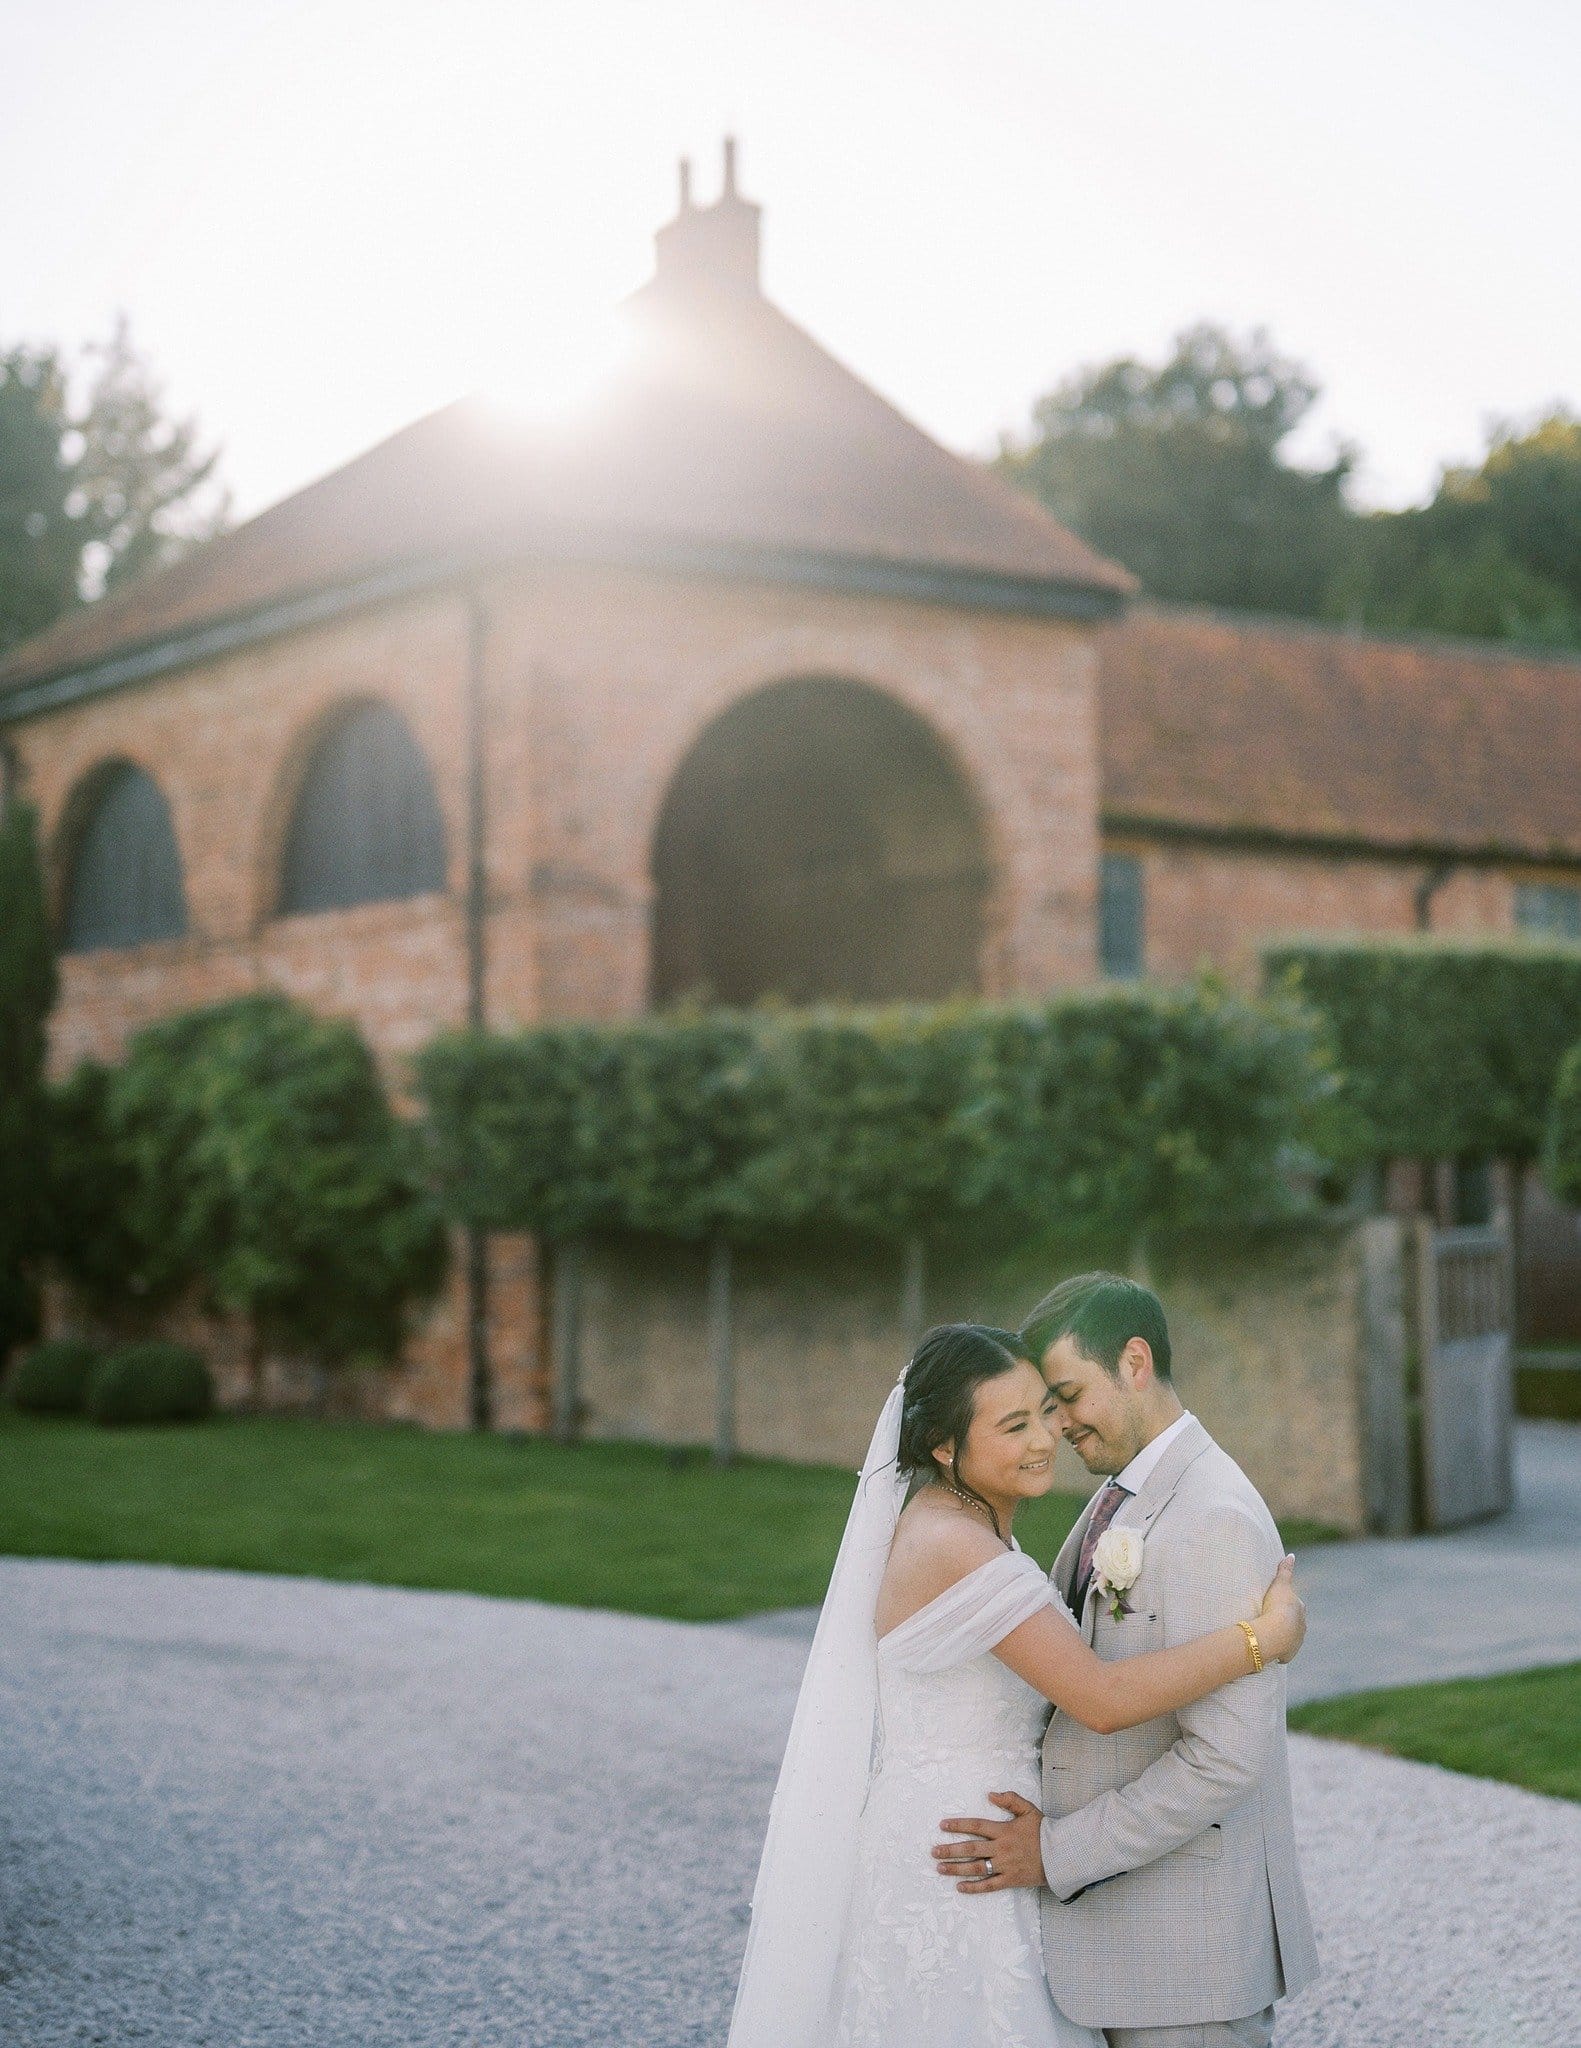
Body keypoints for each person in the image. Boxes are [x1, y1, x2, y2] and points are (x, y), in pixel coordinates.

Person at [726, 1320, 1307, 2048]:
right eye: (1012, 1424)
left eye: (1044, 1411)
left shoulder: (961, 1523)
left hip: (980, 1839)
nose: (1044, 1438)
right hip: (967, 1855)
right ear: (944, 1446)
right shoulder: (955, 1547)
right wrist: (1260, 1640)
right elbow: (1100, 1698)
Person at [930, 1275, 1320, 2047]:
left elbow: (1223, 1762)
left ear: (1134, 1362)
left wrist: (1051, 1852)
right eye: (1041, 1407)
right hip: (1125, 1948)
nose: (1053, 1428)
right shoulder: (1120, 1495)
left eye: (1066, 1396)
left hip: (1183, 1964)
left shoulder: (1210, 1515)